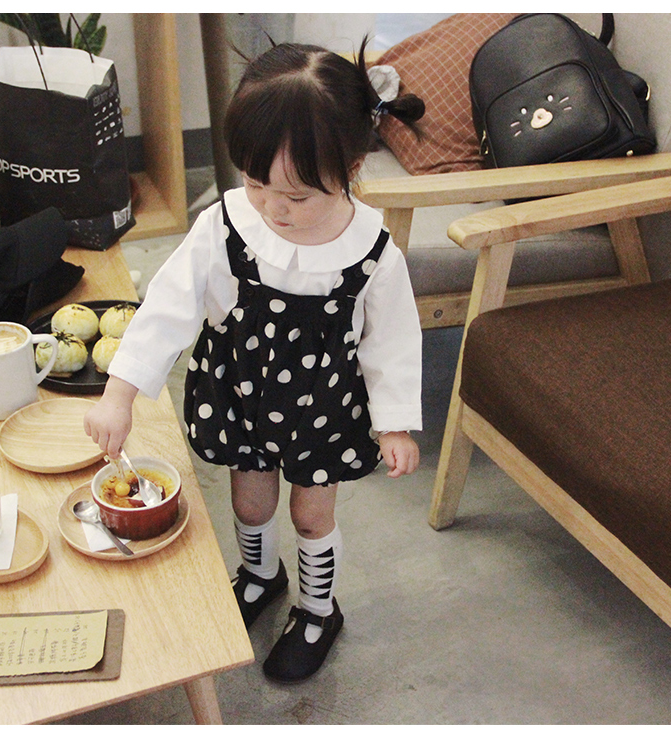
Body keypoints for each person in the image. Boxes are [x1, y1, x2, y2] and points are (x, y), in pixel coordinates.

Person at [84, 39, 424, 683]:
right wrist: (119, 392)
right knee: (249, 500)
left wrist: (396, 423)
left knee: (311, 514)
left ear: (351, 168)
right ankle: (260, 574)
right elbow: (168, 305)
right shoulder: (226, 224)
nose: (272, 208)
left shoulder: (374, 252)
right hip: (240, 391)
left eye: (296, 196)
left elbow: (393, 342)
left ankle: (318, 609)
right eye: (255, 182)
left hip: (323, 406)